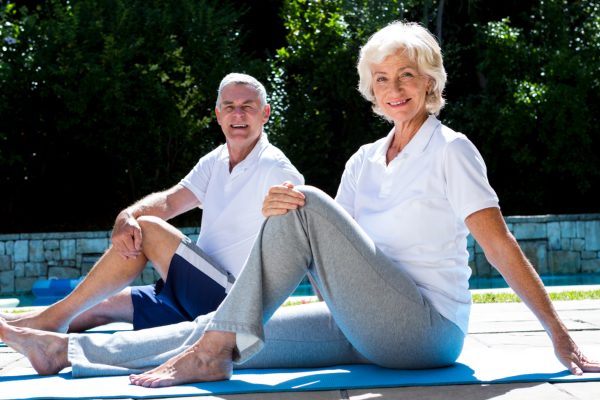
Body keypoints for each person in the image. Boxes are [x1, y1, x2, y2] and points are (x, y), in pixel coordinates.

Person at [1, 21, 599, 385]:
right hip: (362, 319)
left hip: (425, 329)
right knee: (227, 334)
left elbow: (498, 244)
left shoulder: (452, 149)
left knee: (298, 207)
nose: (394, 89)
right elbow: (334, 249)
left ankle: (205, 351)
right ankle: (66, 349)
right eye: (383, 78)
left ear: (431, 82)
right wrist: (285, 226)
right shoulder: (363, 160)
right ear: (371, 87)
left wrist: (559, 335)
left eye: (407, 76)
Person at [0, 72, 304, 333]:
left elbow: (308, 225)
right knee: (98, 303)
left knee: (147, 228)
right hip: (190, 296)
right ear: (218, 114)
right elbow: (170, 202)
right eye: (230, 107)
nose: (238, 115)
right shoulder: (215, 161)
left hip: (230, 302)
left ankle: (50, 320)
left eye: (247, 107)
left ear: (265, 113)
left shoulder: (275, 167)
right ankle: (19, 323)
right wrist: (126, 215)